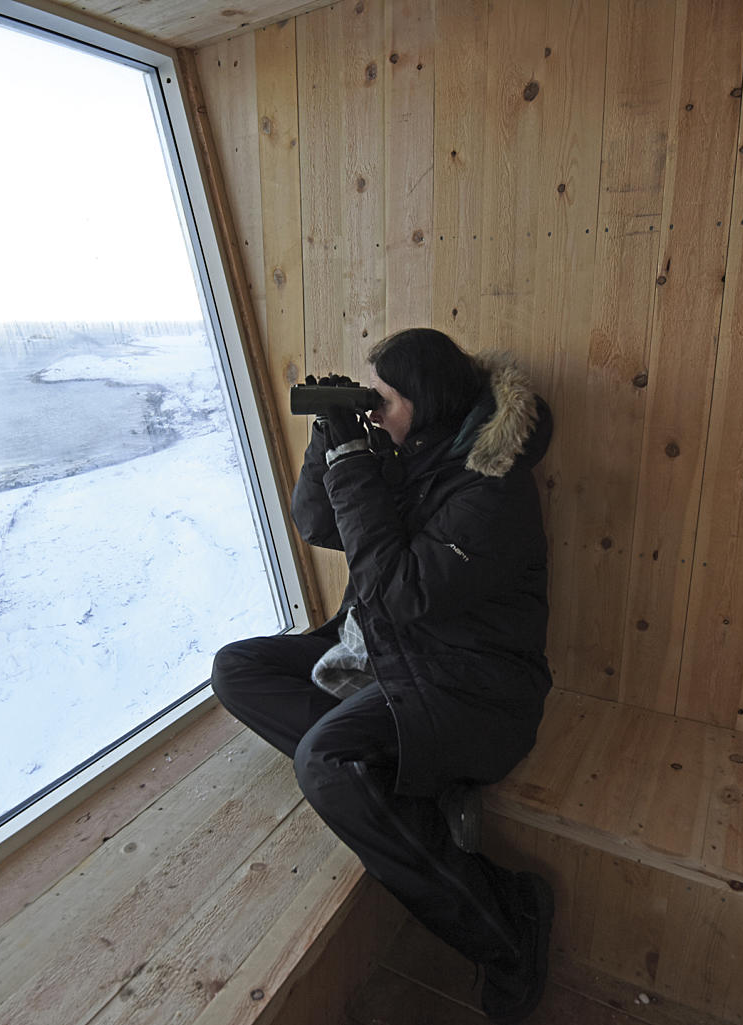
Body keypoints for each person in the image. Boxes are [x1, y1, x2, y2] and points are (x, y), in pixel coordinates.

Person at [210, 327, 556, 1022]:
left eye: (383, 399)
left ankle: (507, 928)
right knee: (237, 668)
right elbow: (318, 522)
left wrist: (353, 461)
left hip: (473, 689)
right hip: (391, 660)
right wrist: (328, 441)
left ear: (425, 403)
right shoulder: (407, 450)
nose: (372, 411)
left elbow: (397, 590)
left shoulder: (491, 490)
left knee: (326, 763)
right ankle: (404, 782)